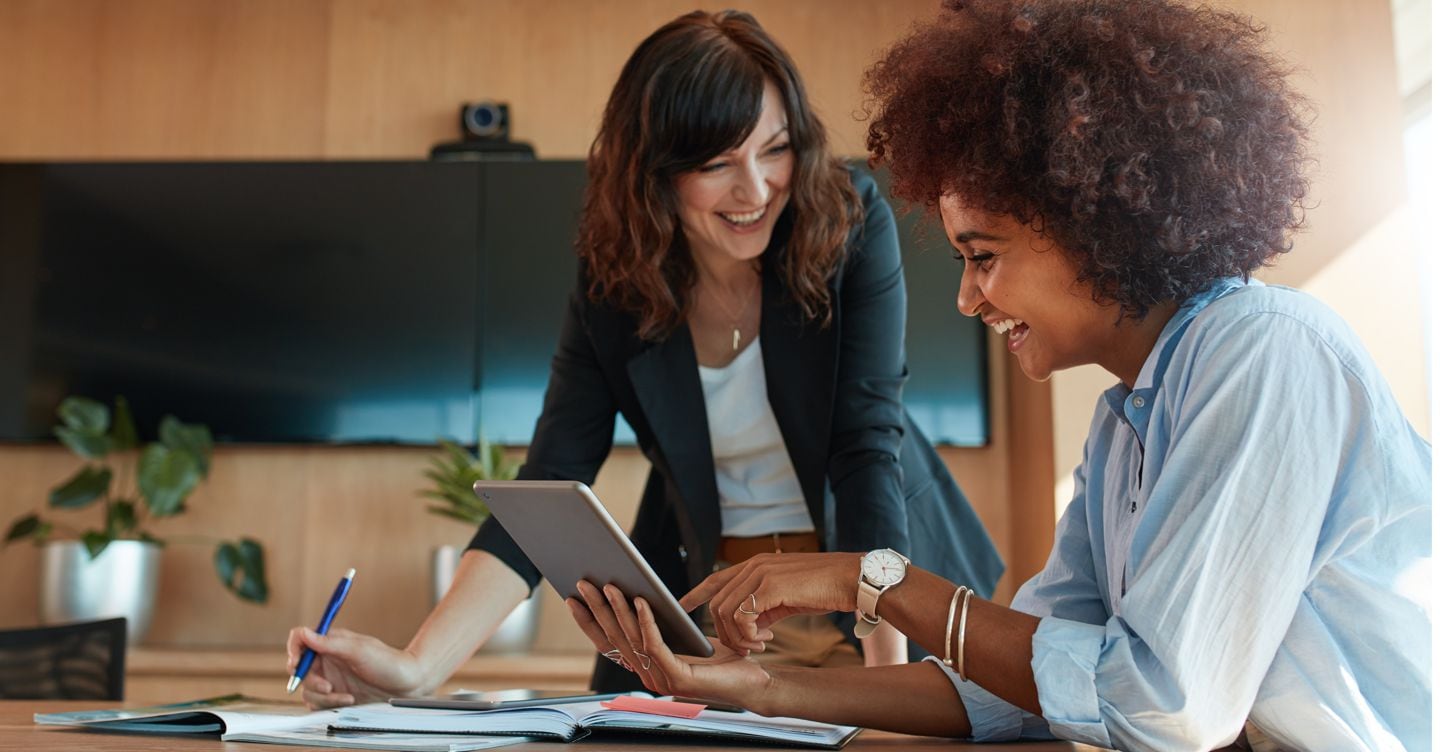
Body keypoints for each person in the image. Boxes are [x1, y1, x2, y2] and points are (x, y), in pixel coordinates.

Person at [566, 1, 1433, 750]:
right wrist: (757, 691)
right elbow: (1018, 688)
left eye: (982, 257)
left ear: (1093, 221)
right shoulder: (1124, 424)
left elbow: (1162, 706)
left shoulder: (1264, 354)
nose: (968, 297)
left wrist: (876, 581)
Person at [285, 9, 1002, 706]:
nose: (755, 189)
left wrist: (886, 685)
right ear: (655, 172)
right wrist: (414, 669)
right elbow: (551, 481)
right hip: (720, 618)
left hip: (877, 601)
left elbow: (864, 445)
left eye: (775, 148)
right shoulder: (616, 281)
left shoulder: (847, 221)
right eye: (718, 163)